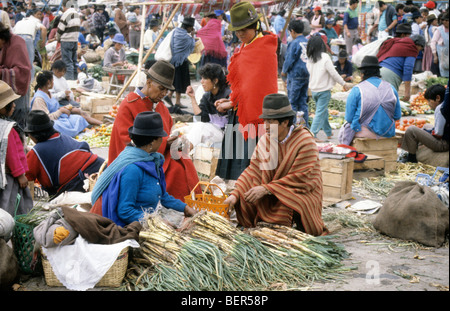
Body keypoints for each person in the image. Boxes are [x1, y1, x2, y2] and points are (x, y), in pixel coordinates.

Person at [223, 93, 328, 236]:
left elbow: (301, 178)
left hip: (299, 192)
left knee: (287, 202)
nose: (265, 126)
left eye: (270, 122)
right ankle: (266, 226)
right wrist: (235, 195)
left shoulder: (305, 142)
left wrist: (267, 189)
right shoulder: (266, 140)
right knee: (246, 194)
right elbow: (253, 171)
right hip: (272, 190)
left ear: (285, 122)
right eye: (264, 121)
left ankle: (287, 230)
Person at [108, 60, 201, 202]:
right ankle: (178, 206)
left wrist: (176, 141)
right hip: (134, 161)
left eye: (166, 90)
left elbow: (168, 131)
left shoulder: (161, 107)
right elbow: (126, 141)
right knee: (175, 171)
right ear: (149, 82)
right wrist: (164, 142)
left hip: (157, 156)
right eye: (161, 88)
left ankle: (190, 204)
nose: (163, 93)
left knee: (183, 162)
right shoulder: (129, 104)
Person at [91, 111, 197, 226]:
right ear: (152, 143)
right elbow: (125, 211)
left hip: (145, 220)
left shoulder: (153, 160)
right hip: (123, 224)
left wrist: (185, 208)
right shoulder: (132, 170)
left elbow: (163, 196)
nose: (163, 140)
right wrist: (156, 223)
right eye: (161, 137)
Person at [214, 1, 279, 181]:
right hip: (242, 111)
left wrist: (233, 102)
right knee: (238, 161)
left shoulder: (263, 48)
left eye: (244, 30)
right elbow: (244, 85)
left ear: (255, 25)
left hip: (255, 114)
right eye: (237, 31)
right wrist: (232, 100)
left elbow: (257, 88)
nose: (240, 34)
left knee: (252, 164)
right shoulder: (247, 45)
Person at [25, 110, 105, 197]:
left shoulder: (36, 152)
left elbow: (27, 180)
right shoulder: (63, 137)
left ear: (33, 134)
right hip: (101, 166)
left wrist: (30, 201)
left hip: (81, 181)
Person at [339, 56, 401, 146]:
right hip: (388, 133)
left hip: (365, 133)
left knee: (345, 128)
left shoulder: (357, 89)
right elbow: (397, 116)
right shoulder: (391, 88)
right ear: (378, 72)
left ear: (362, 73)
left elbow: (349, 118)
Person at [306, 35, 352, 141]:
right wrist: (343, 83)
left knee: (323, 111)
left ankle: (328, 131)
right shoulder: (325, 57)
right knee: (320, 112)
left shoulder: (310, 59)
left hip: (314, 90)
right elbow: (334, 73)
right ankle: (312, 134)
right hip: (324, 90)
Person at [0, 81, 32, 217]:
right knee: (10, 205)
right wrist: (21, 175)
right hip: (10, 177)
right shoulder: (8, 129)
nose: (14, 105)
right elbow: (12, 155)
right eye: (9, 103)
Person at [30, 71, 94, 138]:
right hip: (48, 123)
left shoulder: (48, 93)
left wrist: (63, 109)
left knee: (78, 118)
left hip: (59, 118)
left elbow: (55, 108)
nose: (53, 83)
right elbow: (45, 119)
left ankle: (78, 131)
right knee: (55, 127)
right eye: (52, 81)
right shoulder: (39, 99)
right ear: (48, 82)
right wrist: (60, 111)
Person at [401, 84, 449, 163]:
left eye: (429, 101)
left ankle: (411, 159)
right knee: (426, 125)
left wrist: (426, 132)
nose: (429, 104)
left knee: (411, 130)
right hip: (446, 140)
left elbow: (438, 134)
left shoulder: (440, 109)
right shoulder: (446, 106)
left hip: (443, 144)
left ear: (437, 98)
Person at [0, 22, 32, 130]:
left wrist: (2, 72)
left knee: (16, 125)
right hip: (4, 94)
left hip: (17, 92)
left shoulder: (17, 43)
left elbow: (23, 71)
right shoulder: (3, 46)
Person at [378, 34, 424, 101]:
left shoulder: (399, 43)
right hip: (390, 75)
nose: (419, 51)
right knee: (387, 102)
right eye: (420, 49)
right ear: (418, 45)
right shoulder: (411, 48)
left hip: (379, 70)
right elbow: (408, 69)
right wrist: (407, 92)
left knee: (379, 98)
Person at [281, 20, 310, 126]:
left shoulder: (294, 43)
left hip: (296, 75)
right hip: (306, 75)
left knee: (292, 101)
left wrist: (284, 71)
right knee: (303, 102)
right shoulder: (307, 41)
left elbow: (289, 59)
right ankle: (305, 125)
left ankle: (292, 126)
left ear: (292, 31)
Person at [12, 8, 47, 83]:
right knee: (29, 61)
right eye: (39, 14)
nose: (40, 16)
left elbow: (12, 32)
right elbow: (44, 28)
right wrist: (43, 41)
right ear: (34, 15)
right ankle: (30, 83)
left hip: (15, 38)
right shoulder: (35, 21)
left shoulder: (21, 21)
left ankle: (18, 80)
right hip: (27, 38)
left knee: (17, 61)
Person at [167, 17, 195, 108]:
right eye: (191, 28)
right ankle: (177, 102)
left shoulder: (175, 32)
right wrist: (192, 36)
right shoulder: (186, 36)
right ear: (189, 27)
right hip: (181, 60)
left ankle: (170, 95)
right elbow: (191, 47)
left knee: (175, 80)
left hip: (174, 59)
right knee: (180, 81)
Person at [56, 0, 81, 80]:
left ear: (64, 6)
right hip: (74, 40)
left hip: (66, 40)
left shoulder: (66, 14)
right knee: (74, 61)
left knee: (67, 62)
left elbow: (60, 29)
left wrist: (58, 38)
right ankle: (75, 79)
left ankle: (70, 81)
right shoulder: (76, 13)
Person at [430, 12, 449, 78]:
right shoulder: (439, 30)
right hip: (442, 56)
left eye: (447, 20)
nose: (445, 22)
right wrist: (435, 55)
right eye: (444, 20)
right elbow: (433, 42)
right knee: (443, 75)